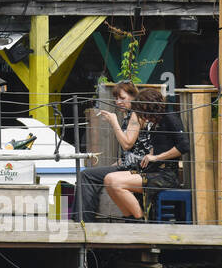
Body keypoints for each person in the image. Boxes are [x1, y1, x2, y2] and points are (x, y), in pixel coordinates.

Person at [80, 86, 187, 221]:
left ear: (150, 106)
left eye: (142, 110)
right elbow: (157, 146)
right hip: (151, 171)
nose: (141, 115)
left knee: (114, 182)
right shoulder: (155, 123)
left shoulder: (170, 118)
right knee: (109, 179)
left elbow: (184, 146)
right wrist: (151, 155)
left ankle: (139, 220)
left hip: (165, 176)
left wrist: (156, 157)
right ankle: (130, 219)